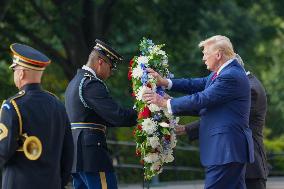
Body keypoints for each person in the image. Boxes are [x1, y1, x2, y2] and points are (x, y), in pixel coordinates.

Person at [143, 35, 254, 189]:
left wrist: (164, 102)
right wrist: (166, 83)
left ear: (218, 54)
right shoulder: (224, 72)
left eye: (205, 53)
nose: (203, 58)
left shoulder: (230, 76)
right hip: (228, 150)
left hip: (225, 150)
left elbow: (203, 98)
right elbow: (198, 84)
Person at [177, 54, 269, 189]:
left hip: (249, 167)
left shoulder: (249, 89)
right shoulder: (244, 83)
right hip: (239, 161)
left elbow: (225, 118)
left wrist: (186, 128)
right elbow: (211, 105)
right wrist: (172, 104)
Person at [65, 39, 137, 189]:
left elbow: (102, 118)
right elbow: (117, 116)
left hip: (77, 156)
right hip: (92, 156)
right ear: (100, 62)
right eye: (111, 67)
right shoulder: (91, 84)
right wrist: (143, 112)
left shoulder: (75, 82)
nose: (111, 73)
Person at [0, 43, 74, 189]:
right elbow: (68, 153)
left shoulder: (12, 106)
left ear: (21, 73)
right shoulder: (58, 105)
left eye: (15, 70)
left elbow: (3, 152)